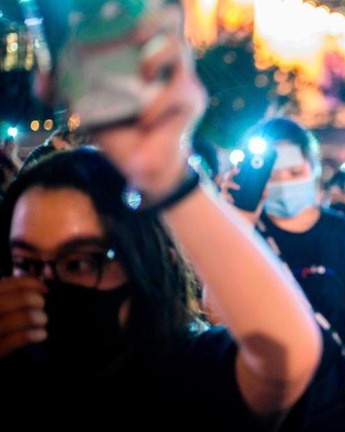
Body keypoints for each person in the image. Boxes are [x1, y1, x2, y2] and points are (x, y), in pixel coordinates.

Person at [0, 3, 322, 426]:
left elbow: (287, 356)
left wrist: (166, 172)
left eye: (79, 262)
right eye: (25, 263)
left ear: (145, 260)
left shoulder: (184, 375)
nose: (46, 285)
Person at [222, 118, 345, 432]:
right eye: (272, 175)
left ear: (312, 168)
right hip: (259, 407)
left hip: (332, 405)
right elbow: (215, 317)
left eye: (295, 172)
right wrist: (235, 223)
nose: (283, 183)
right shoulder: (239, 232)